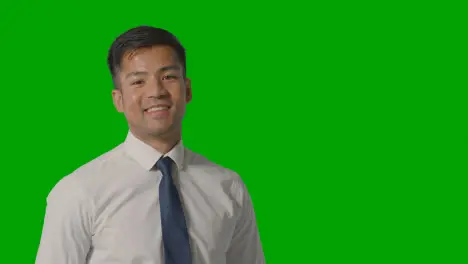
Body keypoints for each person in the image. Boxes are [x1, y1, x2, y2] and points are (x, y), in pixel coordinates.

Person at [35, 25, 265, 264]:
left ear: (187, 90)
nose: (156, 91)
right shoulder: (79, 192)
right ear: (119, 99)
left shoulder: (228, 188)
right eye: (138, 82)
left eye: (168, 77)